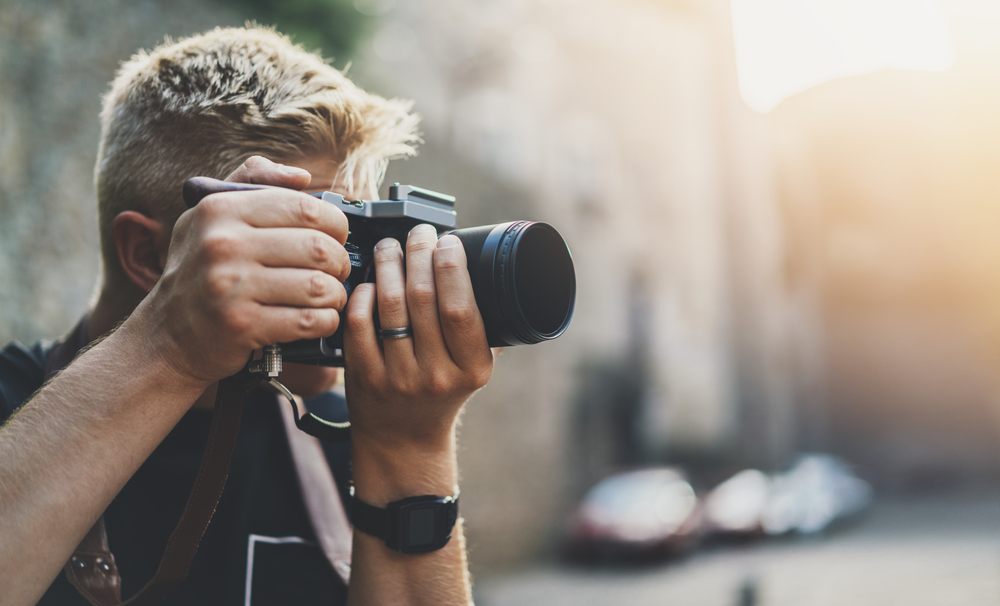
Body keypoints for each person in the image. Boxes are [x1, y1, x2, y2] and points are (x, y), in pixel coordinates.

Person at [0, 26, 493, 606]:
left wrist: (414, 451)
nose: (341, 279)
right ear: (148, 254)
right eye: (305, 236)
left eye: (355, 242)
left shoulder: (357, 434)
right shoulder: (16, 406)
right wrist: (166, 347)